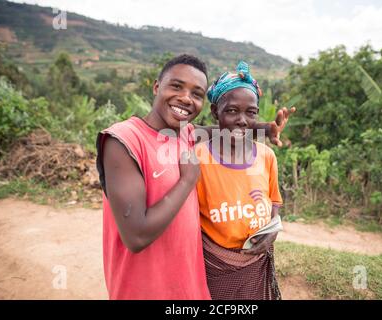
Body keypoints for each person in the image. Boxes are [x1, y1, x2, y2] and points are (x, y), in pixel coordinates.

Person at [96, 54, 294, 299]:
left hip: (191, 286)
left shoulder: (185, 133)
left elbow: (227, 127)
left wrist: (265, 128)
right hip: (144, 289)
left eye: (196, 93)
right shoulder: (124, 140)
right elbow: (136, 236)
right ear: (157, 86)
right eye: (176, 86)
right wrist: (187, 180)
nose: (186, 98)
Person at [195, 61, 284, 300]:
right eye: (232, 110)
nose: (242, 120)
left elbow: (274, 203)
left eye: (251, 112)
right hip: (214, 266)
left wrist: (272, 232)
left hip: (257, 263)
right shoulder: (198, 159)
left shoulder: (266, 156)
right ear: (215, 112)